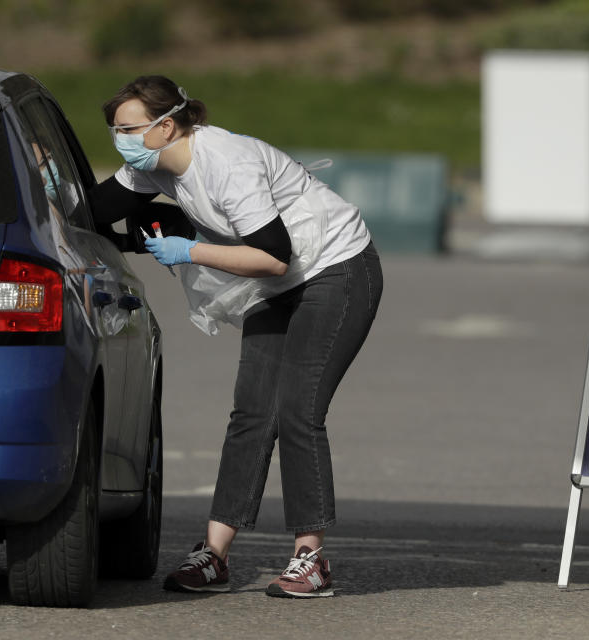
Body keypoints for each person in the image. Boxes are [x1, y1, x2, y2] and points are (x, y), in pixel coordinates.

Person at [91, 75, 383, 598]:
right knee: (251, 413)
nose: (121, 140)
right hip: (280, 281)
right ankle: (214, 556)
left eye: (129, 129)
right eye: (115, 129)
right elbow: (91, 210)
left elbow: (272, 256)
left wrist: (188, 250)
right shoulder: (152, 168)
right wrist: (46, 194)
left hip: (335, 269)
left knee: (298, 409)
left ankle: (310, 558)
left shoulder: (225, 164)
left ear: (167, 126)